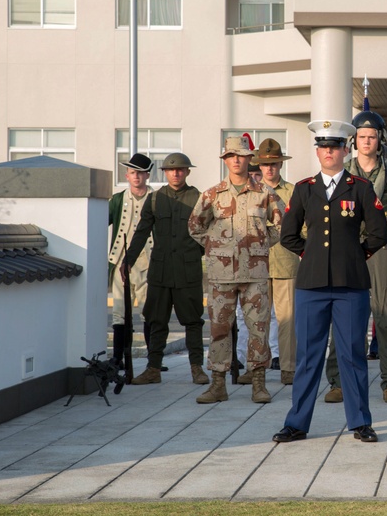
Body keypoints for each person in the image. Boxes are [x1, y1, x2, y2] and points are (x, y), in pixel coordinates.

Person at [272, 120, 387, 444]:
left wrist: (356, 254)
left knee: (352, 354)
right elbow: (288, 235)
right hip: (311, 285)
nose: (329, 151)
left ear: (345, 149)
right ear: (317, 151)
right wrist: (309, 255)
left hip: (350, 286)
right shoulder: (304, 188)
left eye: (335, 146)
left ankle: (360, 422)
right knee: (309, 356)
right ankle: (296, 423)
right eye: (323, 146)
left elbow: (381, 233)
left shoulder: (361, 188)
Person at [189, 136, 285, 404]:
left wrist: (261, 244)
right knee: (219, 328)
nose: (236, 160)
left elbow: (280, 223)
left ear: (248, 159)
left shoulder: (264, 194)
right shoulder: (211, 195)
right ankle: (218, 384)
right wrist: (215, 246)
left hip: (255, 274)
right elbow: (195, 226)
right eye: (231, 155)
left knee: (258, 328)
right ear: (225, 160)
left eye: (241, 156)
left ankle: (258, 383)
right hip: (221, 274)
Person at [323, 110, 387, 405]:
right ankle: (337, 381)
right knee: (344, 317)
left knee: (386, 315)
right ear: (354, 140)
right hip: (347, 246)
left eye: (372, 136)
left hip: (383, 248)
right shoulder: (341, 173)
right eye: (362, 136)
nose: (367, 141)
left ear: (380, 138)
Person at [122, 153, 209, 386]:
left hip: (187, 272)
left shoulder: (198, 198)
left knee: (192, 321)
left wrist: (193, 254)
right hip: (160, 271)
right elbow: (141, 231)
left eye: (181, 169)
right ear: (164, 173)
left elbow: (208, 233)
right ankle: (153, 369)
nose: (176, 173)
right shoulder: (154, 199)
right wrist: (128, 259)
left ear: (188, 172)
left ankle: (196, 368)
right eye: (171, 170)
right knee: (156, 320)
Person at [249, 138, 298, 385]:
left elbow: (304, 226)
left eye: (274, 164)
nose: (270, 169)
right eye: (265, 165)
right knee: (257, 318)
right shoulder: (250, 193)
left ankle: (288, 368)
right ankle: (257, 367)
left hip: (286, 262)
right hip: (256, 264)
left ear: (281, 164)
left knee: (287, 319)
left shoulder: (292, 192)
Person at [108, 153, 154, 372]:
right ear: (127, 175)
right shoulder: (118, 200)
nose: (136, 177)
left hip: (149, 262)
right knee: (120, 312)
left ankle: (153, 362)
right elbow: (99, 221)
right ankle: (118, 358)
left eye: (141, 173)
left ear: (147, 175)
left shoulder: (157, 198)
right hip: (120, 262)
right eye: (133, 172)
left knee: (149, 312)